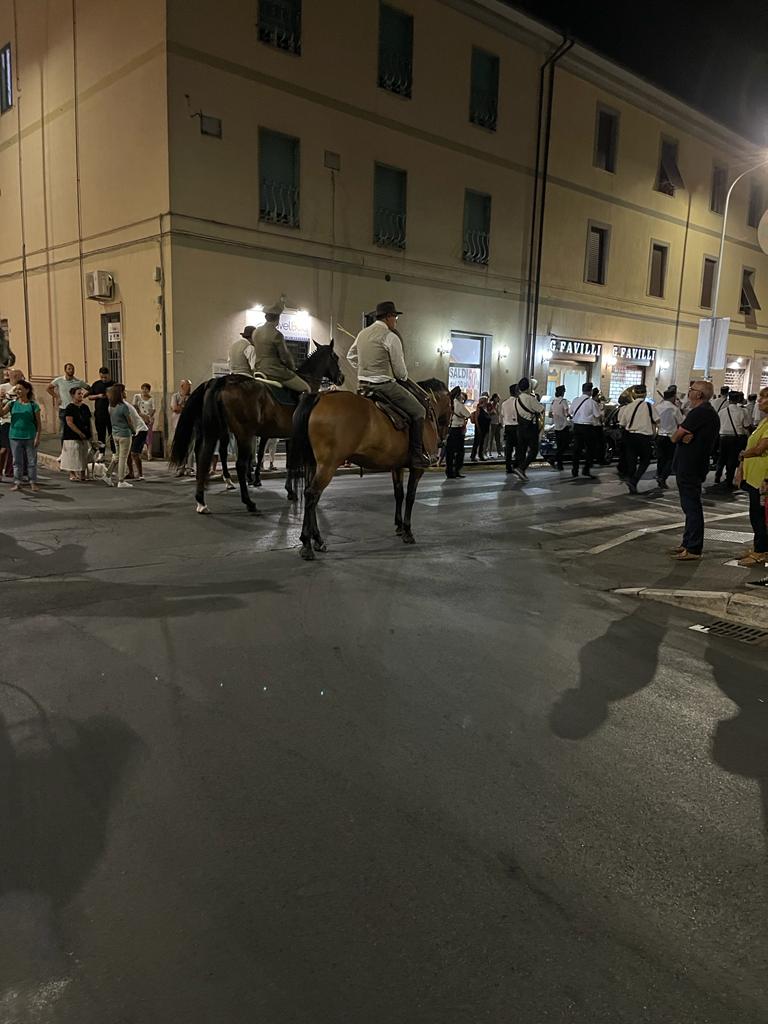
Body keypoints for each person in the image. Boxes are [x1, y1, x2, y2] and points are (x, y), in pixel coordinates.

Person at [346, 300, 429, 468]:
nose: (395, 321)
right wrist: (399, 374)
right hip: (383, 385)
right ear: (389, 317)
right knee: (419, 410)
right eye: (395, 318)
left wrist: (365, 367)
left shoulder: (362, 334)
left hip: (362, 386)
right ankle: (416, 455)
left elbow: (351, 356)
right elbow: (400, 373)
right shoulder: (390, 337)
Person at [670, 380, 719, 561]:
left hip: (690, 465)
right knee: (689, 506)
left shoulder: (700, 412)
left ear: (699, 394)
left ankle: (693, 547)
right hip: (693, 464)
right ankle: (687, 543)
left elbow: (675, 437)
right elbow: (682, 435)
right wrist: (684, 436)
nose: (689, 392)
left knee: (692, 507)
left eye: (691, 390)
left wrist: (682, 435)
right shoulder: (706, 412)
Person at [736, 387, 768, 567]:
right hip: (755, 476)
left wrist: (743, 454)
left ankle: (760, 551)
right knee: (756, 513)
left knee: (759, 515)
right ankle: (759, 547)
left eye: (763, 398)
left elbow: (760, 449)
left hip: (763, 478)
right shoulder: (765, 421)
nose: (759, 401)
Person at [250, 301, 309, 393]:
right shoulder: (277, 334)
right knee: (306, 388)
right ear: (278, 318)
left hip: (259, 370)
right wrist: (293, 368)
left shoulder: (255, 332)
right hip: (274, 371)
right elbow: (285, 357)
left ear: (266, 317)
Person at [1, 379, 41, 492]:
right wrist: (1, 400)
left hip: (30, 436)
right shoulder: (12, 404)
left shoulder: (33, 405)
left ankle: (32, 482)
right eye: (16, 389)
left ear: (27, 390)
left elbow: (39, 424)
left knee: (31, 461)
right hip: (14, 436)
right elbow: (2, 413)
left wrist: (37, 437)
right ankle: (17, 482)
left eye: (20, 389)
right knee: (17, 461)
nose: (18, 391)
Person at [618, 385, 658, 494]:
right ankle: (634, 480)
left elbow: (622, 423)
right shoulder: (649, 406)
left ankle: (631, 480)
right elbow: (657, 420)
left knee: (632, 460)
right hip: (644, 437)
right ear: (645, 394)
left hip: (630, 436)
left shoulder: (628, 407)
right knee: (645, 460)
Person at [715, 390, 751, 490]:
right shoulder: (742, 411)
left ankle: (717, 476)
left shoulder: (722, 411)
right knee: (732, 459)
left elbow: (718, 425)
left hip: (723, 437)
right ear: (738, 399)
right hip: (736, 438)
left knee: (721, 457)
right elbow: (746, 425)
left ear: (729, 399)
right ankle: (729, 480)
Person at [60, 386, 95, 481]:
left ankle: (83, 473)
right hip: (72, 435)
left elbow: (89, 421)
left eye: (82, 393)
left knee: (83, 454)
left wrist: (91, 435)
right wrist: (79, 432)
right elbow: (69, 422)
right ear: (73, 395)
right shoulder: (70, 407)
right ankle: (72, 473)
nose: (81, 395)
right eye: (78, 394)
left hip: (85, 433)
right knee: (72, 455)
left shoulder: (85, 407)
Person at [512, 378, 544, 480]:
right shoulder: (530, 398)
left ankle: (521, 470)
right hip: (530, 427)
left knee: (522, 450)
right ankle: (522, 468)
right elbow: (541, 409)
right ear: (528, 387)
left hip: (520, 427)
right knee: (534, 450)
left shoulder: (517, 399)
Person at [570, 382, 602, 479]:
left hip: (576, 426)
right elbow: (597, 415)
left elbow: (570, 412)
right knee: (590, 449)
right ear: (590, 391)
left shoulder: (575, 400)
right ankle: (586, 469)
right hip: (588, 428)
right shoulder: (592, 402)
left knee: (577, 449)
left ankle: (574, 470)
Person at [105, 384, 135, 488]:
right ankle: (121, 481)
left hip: (115, 434)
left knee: (117, 457)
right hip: (124, 434)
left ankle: (107, 475)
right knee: (123, 458)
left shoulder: (110, 406)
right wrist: (134, 431)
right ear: (120, 394)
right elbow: (129, 422)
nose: (125, 392)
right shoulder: (123, 407)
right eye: (124, 391)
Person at [48, 363, 88, 436]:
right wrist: (57, 397)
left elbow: (89, 388)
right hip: (64, 408)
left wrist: (84, 395)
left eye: (72, 369)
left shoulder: (78, 382)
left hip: (75, 409)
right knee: (63, 430)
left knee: (75, 429)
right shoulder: (59, 380)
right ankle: (64, 443)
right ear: (65, 370)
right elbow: (48, 388)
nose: (71, 370)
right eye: (69, 369)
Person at [655, 388, 683, 488]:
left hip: (659, 435)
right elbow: (681, 422)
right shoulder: (674, 409)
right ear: (673, 397)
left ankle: (659, 475)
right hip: (671, 436)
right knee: (671, 459)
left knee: (661, 458)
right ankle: (663, 477)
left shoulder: (657, 407)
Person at [0, 368, 24, 481]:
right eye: (16, 376)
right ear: (11, 376)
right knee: (4, 449)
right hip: (5, 422)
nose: (19, 378)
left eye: (20, 376)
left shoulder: (23, 388)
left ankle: (10, 471)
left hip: (18, 422)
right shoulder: (3, 387)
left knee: (15, 448)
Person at [87, 366, 116, 450]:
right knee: (100, 433)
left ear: (109, 375)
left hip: (112, 414)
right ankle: (101, 452)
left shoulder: (114, 384)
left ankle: (114, 451)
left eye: (105, 377)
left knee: (112, 434)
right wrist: (98, 396)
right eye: (102, 377)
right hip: (100, 413)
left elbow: (121, 396)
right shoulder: (96, 384)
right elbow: (89, 397)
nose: (103, 379)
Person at [445, 386, 470, 479]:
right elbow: (468, 414)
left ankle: (449, 471)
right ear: (459, 395)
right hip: (458, 430)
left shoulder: (449, 403)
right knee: (460, 452)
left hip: (450, 429)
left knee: (450, 452)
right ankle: (456, 470)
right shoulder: (459, 404)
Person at [171, 379, 194, 476]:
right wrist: (185, 406)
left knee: (190, 447)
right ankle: (180, 467)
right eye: (188, 386)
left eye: (190, 386)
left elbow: (194, 410)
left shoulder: (192, 396)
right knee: (180, 446)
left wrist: (184, 408)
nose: (190, 388)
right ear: (182, 386)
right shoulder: (175, 396)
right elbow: (175, 408)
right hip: (178, 425)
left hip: (190, 425)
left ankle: (190, 468)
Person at [132, 383, 156, 460]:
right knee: (139, 435)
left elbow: (153, 409)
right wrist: (142, 416)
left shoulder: (151, 399)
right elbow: (134, 407)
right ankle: (139, 452)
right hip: (139, 418)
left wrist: (149, 416)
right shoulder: (137, 396)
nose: (145, 390)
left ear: (149, 390)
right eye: (143, 389)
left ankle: (149, 453)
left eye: (146, 389)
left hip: (148, 419)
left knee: (149, 436)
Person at [550, 385, 570, 470]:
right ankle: (554, 459)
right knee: (564, 445)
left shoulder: (553, 401)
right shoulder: (563, 401)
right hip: (564, 426)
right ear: (562, 392)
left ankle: (559, 464)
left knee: (559, 446)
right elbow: (567, 413)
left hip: (556, 426)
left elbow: (550, 414)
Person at [500, 385, 518, 474]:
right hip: (517, 427)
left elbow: (502, 414)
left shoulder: (504, 403)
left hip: (507, 427)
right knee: (519, 447)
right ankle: (516, 465)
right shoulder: (518, 402)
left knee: (508, 448)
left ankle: (508, 466)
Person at [470, 396, 490, 462]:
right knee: (477, 442)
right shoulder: (479, 408)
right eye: (486, 400)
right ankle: (473, 455)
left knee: (482, 442)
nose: (487, 402)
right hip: (480, 427)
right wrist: (478, 427)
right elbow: (476, 418)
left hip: (484, 428)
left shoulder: (485, 408)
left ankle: (480, 455)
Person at [486, 393, 502, 458]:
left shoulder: (497, 405)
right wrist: (492, 412)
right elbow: (488, 413)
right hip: (492, 423)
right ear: (494, 398)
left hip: (497, 423)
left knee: (498, 438)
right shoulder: (490, 404)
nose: (499, 399)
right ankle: (489, 452)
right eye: (497, 398)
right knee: (491, 438)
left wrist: (500, 422)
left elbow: (498, 414)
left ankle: (499, 452)